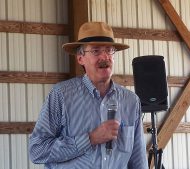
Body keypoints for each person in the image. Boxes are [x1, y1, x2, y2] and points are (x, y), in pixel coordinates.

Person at [29, 22, 148, 169]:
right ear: (80, 58)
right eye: (96, 51)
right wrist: (90, 139)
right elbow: (37, 151)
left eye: (109, 50)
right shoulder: (61, 95)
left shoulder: (131, 101)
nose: (104, 57)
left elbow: (138, 161)